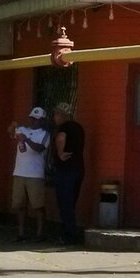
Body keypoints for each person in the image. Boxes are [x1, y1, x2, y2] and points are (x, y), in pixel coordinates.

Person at [8, 106, 50, 241]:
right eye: (32, 118)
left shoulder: (45, 134)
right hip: (19, 172)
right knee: (19, 204)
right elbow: (10, 133)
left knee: (38, 205)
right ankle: (21, 233)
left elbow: (39, 148)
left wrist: (26, 139)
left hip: (35, 174)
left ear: (42, 120)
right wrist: (12, 126)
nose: (34, 121)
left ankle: (40, 233)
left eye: (37, 119)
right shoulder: (22, 130)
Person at [51, 102, 85, 245]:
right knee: (71, 202)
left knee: (65, 203)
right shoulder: (79, 128)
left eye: (56, 114)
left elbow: (61, 138)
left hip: (65, 170)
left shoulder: (64, 127)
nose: (55, 117)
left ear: (63, 115)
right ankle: (69, 232)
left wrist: (60, 153)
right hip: (78, 169)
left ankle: (69, 235)